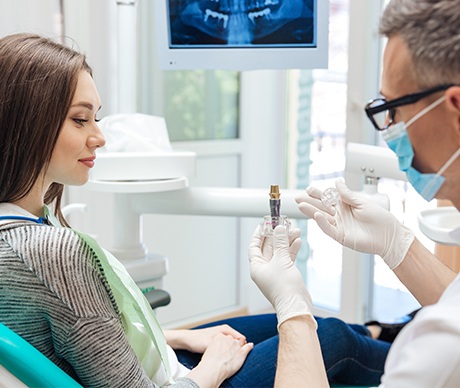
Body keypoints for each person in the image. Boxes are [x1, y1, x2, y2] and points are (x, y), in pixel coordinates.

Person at [0, 31, 401, 388]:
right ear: (27, 122)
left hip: (157, 361)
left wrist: (179, 336)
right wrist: (213, 366)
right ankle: (427, 358)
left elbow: (90, 340)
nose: (99, 137)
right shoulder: (50, 252)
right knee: (331, 337)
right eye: (80, 120)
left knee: (331, 328)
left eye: (96, 118)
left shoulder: (21, 224)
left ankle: (388, 332)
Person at [250, 0, 460, 386]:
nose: (390, 128)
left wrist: (293, 311)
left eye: (393, 108)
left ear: (456, 108)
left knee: (334, 336)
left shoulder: (442, 347)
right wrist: (397, 244)